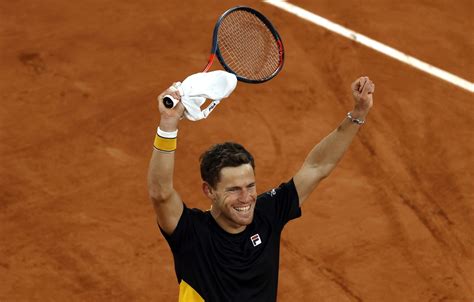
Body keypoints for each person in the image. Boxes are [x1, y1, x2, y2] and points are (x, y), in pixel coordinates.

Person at [148, 76, 375, 302]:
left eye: (250, 186)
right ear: (209, 191)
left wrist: (358, 113)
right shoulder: (192, 235)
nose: (246, 198)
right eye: (233, 189)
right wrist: (168, 124)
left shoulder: (267, 214)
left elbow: (317, 166)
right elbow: (161, 193)